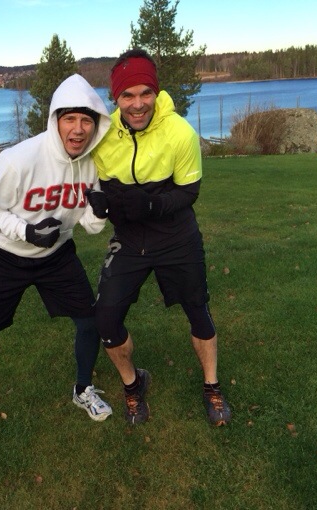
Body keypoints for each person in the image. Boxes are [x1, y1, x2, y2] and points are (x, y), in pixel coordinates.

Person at [0, 74, 113, 437]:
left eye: (86, 121)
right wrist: (26, 232)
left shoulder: (93, 164)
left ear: (96, 124)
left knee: (89, 321)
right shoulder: (18, 159)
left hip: (56, 256)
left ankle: (83, 389)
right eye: (70, 119)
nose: (78, 129)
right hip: (3, 256)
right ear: (55, 120)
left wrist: (99, 211)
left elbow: (89, 225)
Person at [88, 49, 232, 426]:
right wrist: (97, 197)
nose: (138, 104)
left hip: (176, 236)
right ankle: (134, 384)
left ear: (156, 92)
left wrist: (151, 205)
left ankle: (212, 386)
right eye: (127, 95)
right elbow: (88, 179)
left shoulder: (180, 133)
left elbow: (189, 192)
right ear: (115, 98)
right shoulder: (102, 136)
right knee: (105, 318)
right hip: (129, 239)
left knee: (197, 309)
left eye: (145, 93)